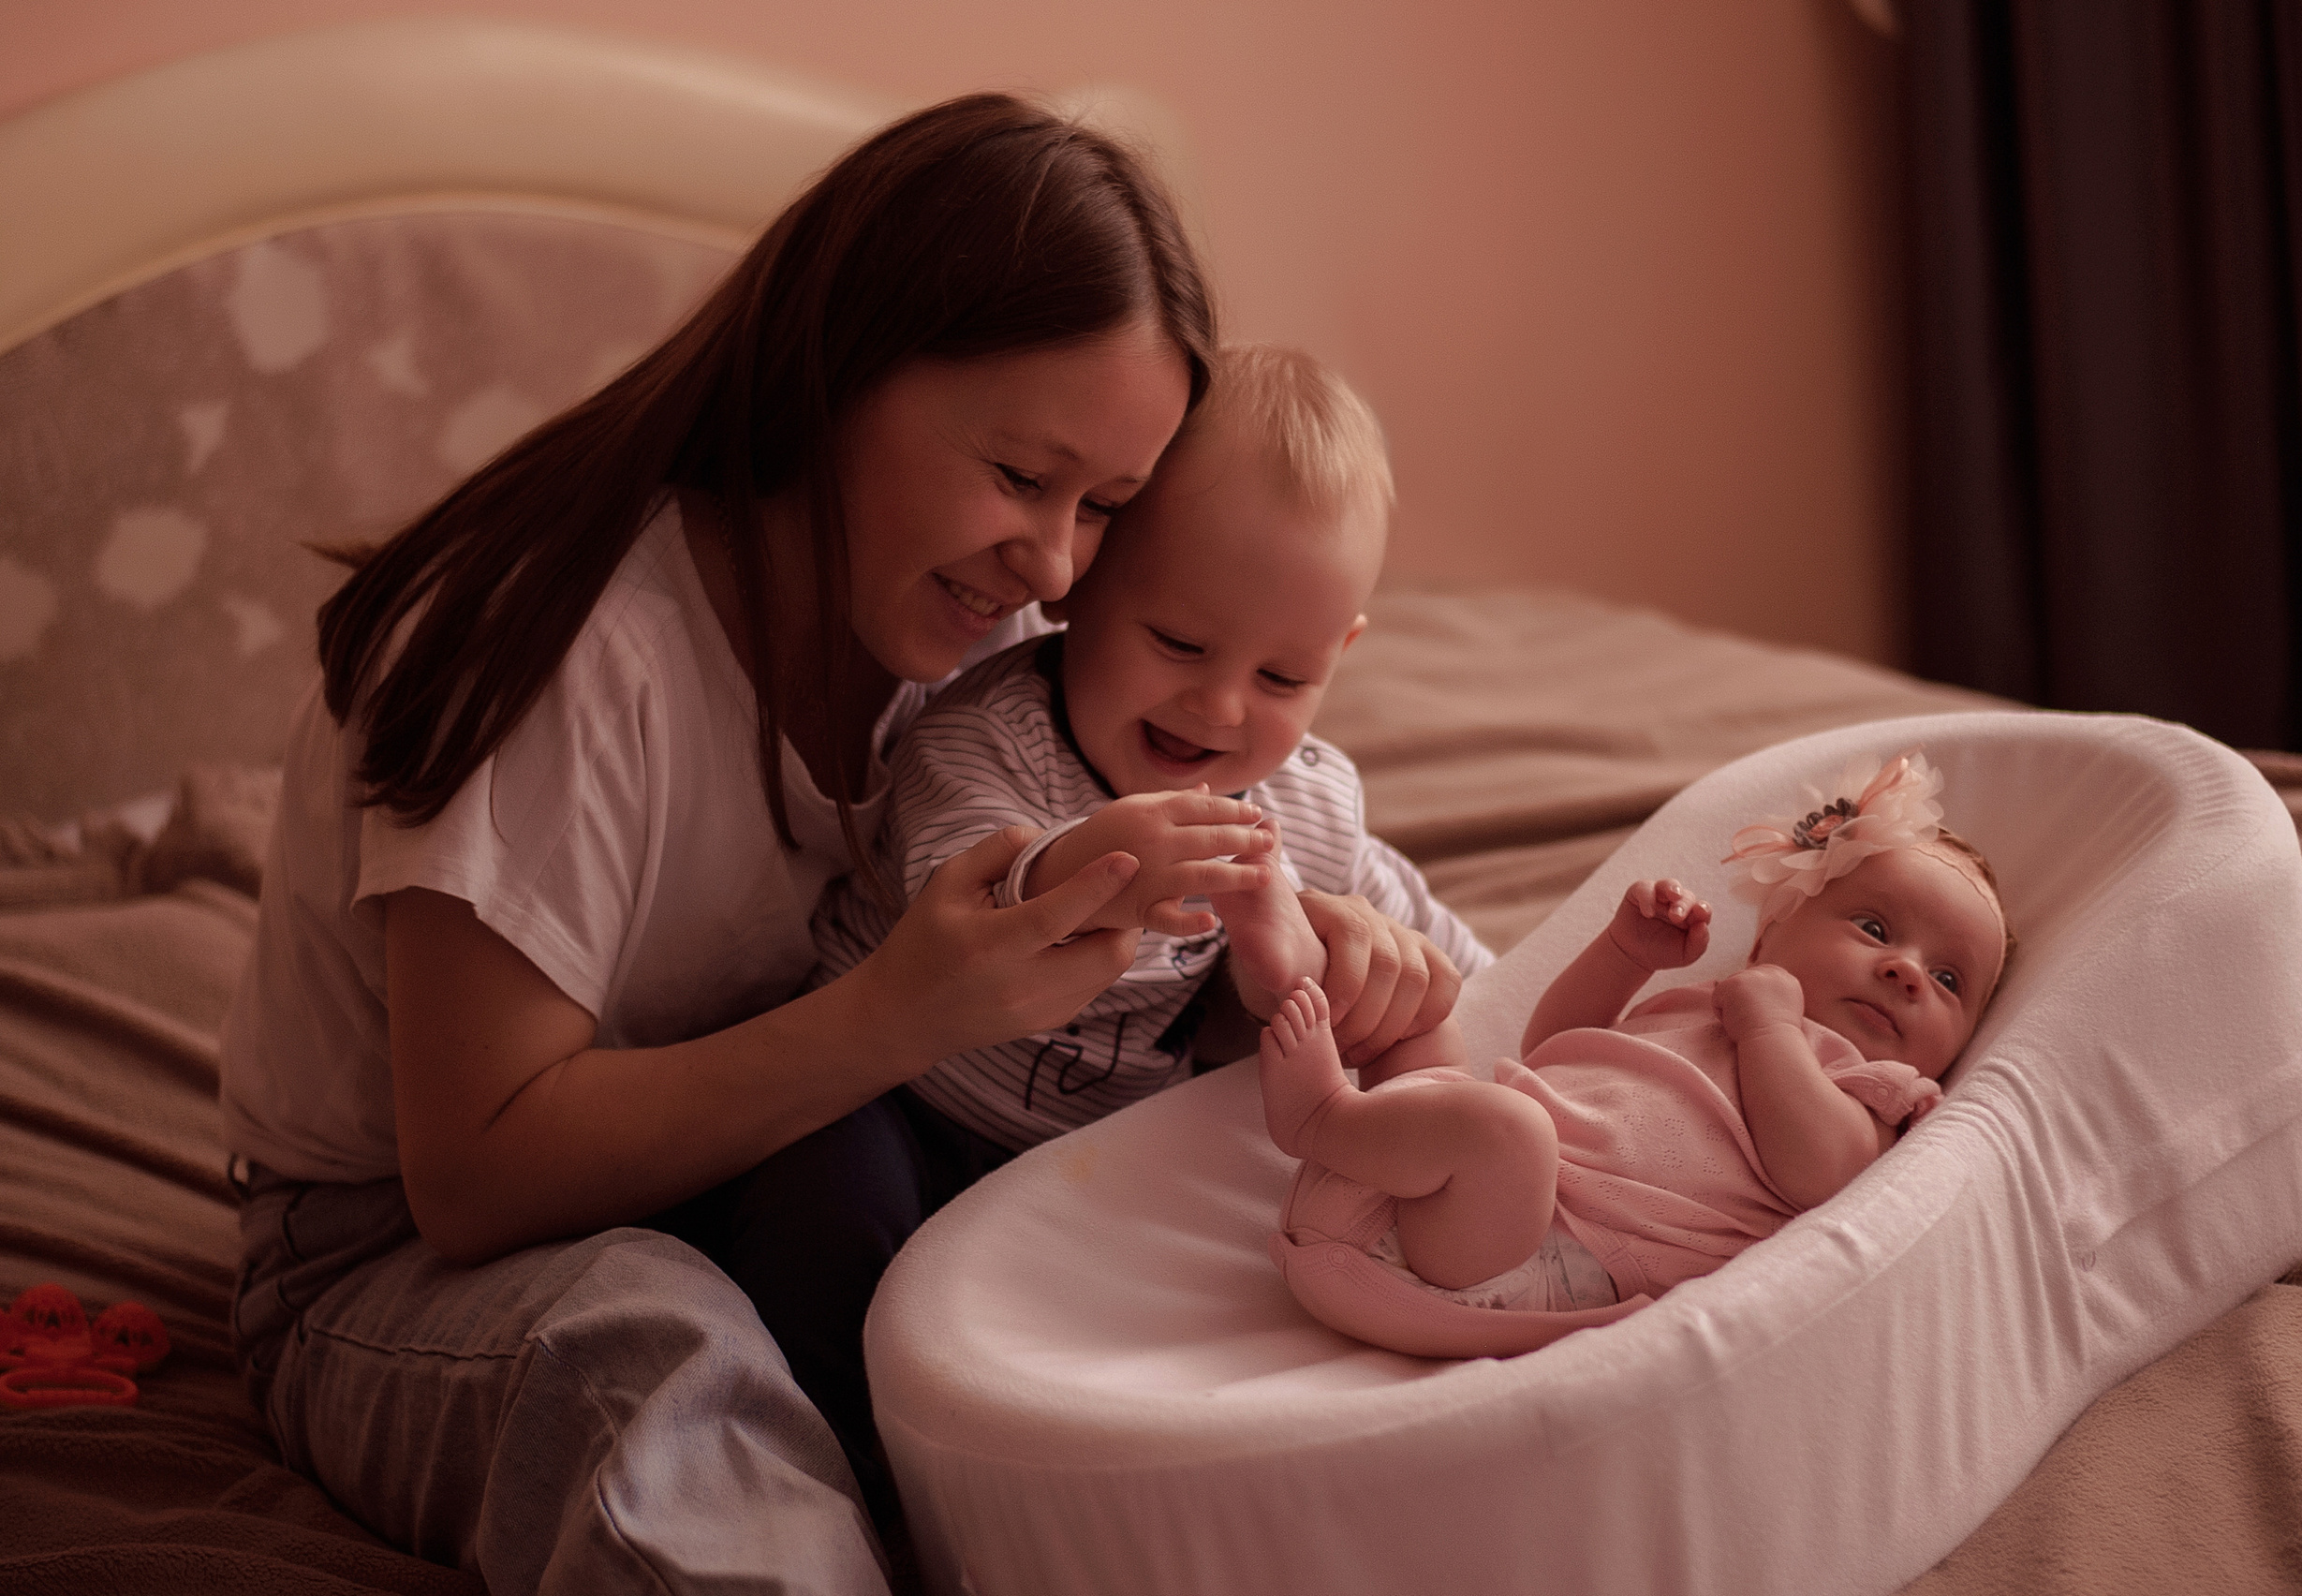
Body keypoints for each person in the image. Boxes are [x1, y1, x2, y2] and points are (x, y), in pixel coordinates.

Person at [214, 96, 1460, 1596]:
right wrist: (901, 1014)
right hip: (398, 1256)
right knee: (652, 1358)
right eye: (1020, 478)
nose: (1056, 566)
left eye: (1106, 511)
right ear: (836, 376)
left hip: (779, 1152)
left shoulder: (993, 616)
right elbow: (472, 1182)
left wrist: (1337, 951)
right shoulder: (564, 648)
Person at [813, 344, 1492, 1159]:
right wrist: (1099, 867)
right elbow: (962, 914)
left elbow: (1437, 949)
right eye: (1178, 642)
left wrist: (1426, 972)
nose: (1220, 708)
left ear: (1337, 657)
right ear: (1078, 588)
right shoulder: (984, 737)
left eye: (1282, 677)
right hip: (887, 1100)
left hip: (1080, 1158)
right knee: (829, 1215)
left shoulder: (1304, 802)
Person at [1261, 752, 2013, 1332]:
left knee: (1508, 1128)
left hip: (1508, 1255)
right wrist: (1626, 956)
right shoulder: (1706, 1009)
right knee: (1433, 1014)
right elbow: (1554, 1047)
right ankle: (1326, 1027)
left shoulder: (1871, 1091)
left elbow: (1821, 1171)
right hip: (1438, 1176)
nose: (1905, 972)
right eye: (1876, 930)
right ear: (1772, 934)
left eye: (1949, 981)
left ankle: (1321, 1119)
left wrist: (1771, 1028)